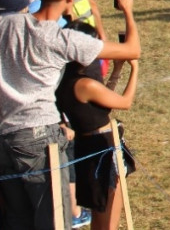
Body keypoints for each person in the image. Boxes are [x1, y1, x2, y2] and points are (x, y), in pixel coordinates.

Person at [0, 0, 141, 230]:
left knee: (17, 221)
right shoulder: (62, 39)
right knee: (52, 222)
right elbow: (132, 49)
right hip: (39, 141)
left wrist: (8, 79)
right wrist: (127, 10)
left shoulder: (5, 24)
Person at [56, 39, 138, 230]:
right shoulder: (84, 85)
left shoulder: (68, 82)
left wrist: (117, 70)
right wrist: (135, 69)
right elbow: (125, 102)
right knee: (108, 222)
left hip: (88, 150)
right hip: (103, 152)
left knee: (99, 218)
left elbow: (101, 108)